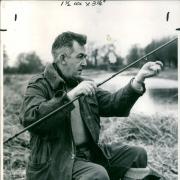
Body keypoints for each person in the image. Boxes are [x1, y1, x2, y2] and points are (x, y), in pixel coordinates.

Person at [20, 31, 163, 180]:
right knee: (97, 174)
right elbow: (30, 119)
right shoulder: (39, 84)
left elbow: (114, 104)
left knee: (137, 154)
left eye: (85, 57)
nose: (85, 63)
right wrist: (70, 96)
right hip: (57, 163)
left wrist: (138, 80)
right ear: (62, 58)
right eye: (80, 57)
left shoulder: (82, 83)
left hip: (90, 153)